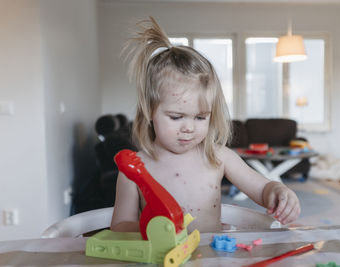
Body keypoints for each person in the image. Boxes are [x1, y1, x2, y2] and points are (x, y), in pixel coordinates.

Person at [111, 17, 300, 233]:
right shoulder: (134, 170)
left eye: (200, 117)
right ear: (149, 110)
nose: (189, 128)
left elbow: (263, 189)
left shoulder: (218, 156)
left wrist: (279, 192)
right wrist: (155, 228)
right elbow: (119, 227)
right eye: (176, 117)